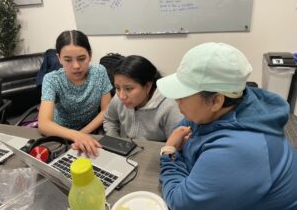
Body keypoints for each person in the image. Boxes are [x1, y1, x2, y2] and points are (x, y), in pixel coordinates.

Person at [156, 42, 297, 210]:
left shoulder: (238, 149)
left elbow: (180, 203)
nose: (176, 100)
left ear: (216, 100)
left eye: (182, 95)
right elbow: (182, 128)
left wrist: (169, 151)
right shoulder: (236, 101)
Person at [38, 30, 112, 156]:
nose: (76, 66)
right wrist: (76, 136)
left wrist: (82, 134)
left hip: (91, 130)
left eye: (82, 58)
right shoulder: (52, 79)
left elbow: (106, 110)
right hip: (60, 134)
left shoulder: (99, 72)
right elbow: (44, 123)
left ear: (90, 55)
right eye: (68, 60)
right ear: (59, 59)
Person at [103, 55, 183, 141]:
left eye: (128, 89)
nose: (121, 96)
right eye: (117, 88)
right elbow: (110, 119)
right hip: (123, 151)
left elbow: (175, 145)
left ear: (148, 86)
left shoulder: (170, 107)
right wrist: (114, 141)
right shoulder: (118, 98)